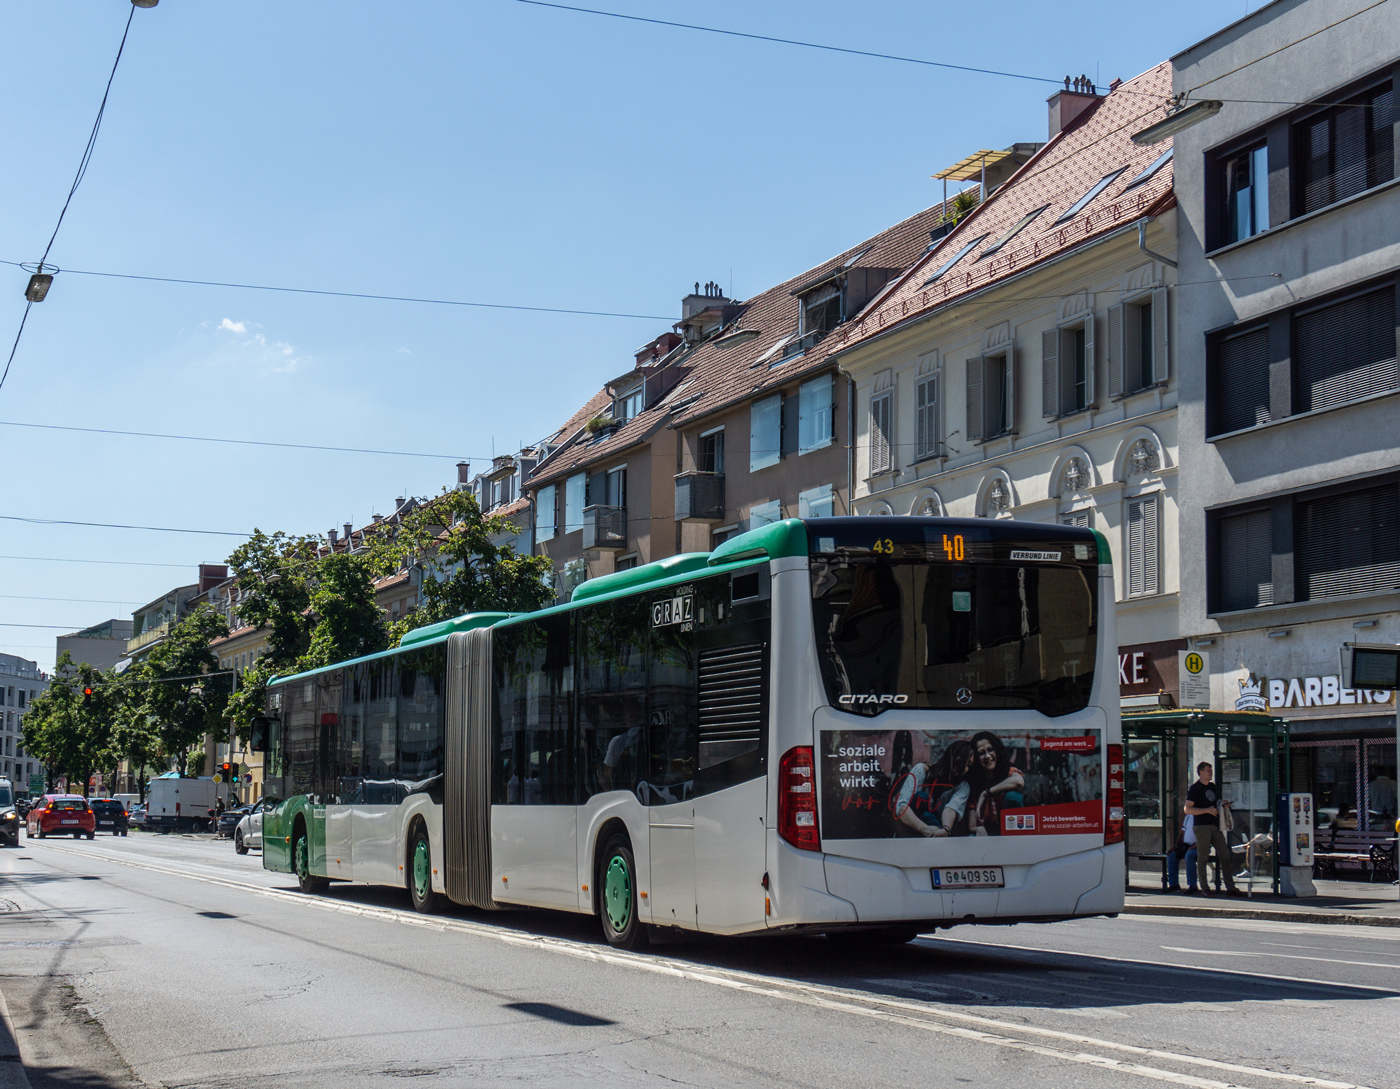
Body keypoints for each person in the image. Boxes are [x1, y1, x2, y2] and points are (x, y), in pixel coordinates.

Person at [894, 739, 976, 837]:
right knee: (922, 797)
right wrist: (925, 829)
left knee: (927, 816)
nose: (964, 767)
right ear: (952, 754)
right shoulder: (922, 770)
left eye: (969, 765)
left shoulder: (963, 786)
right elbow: (901, 807)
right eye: (963, 759)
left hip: (935, 831)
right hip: (911, 831)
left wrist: (946, 829)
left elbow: (950, 809)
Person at [1184, 762, 1240, 897]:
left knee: (1225, 854)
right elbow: (1187, 809)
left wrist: (1223, 805)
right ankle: (1205, 888)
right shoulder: (1194, 788)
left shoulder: (1213, 787)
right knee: (1203, 857)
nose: (1211, 773)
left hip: (1215, 826)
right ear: (1201, 772)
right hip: (1202, 826)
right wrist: (1206, 810)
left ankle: (1230, 887)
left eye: (1211, 771)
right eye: (1208, 771)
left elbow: (1216, 802)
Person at [967, 731, 1025, 835]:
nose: (987, 756)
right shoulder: (974, 783)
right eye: (981, 753)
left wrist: (986, 793)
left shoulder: (1008, 772)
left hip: (1009, 836)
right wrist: (978, 830)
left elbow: (1019, 782)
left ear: (997, 751)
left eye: (990, 750)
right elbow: (971, 826)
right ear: (975, 757)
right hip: (986, 840)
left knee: (1013, 795)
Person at [1167, 813, 1197, 893]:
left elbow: (1205, 836)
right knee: (1172, 855)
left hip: (1199, 847)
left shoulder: (1202, 816)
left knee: (1189, 856)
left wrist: (1194, 846)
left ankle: (1192, 885)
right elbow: (1182, 833)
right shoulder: (1188, 816)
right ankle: (1173, 884)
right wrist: (1176, 846)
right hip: (1186, 846)